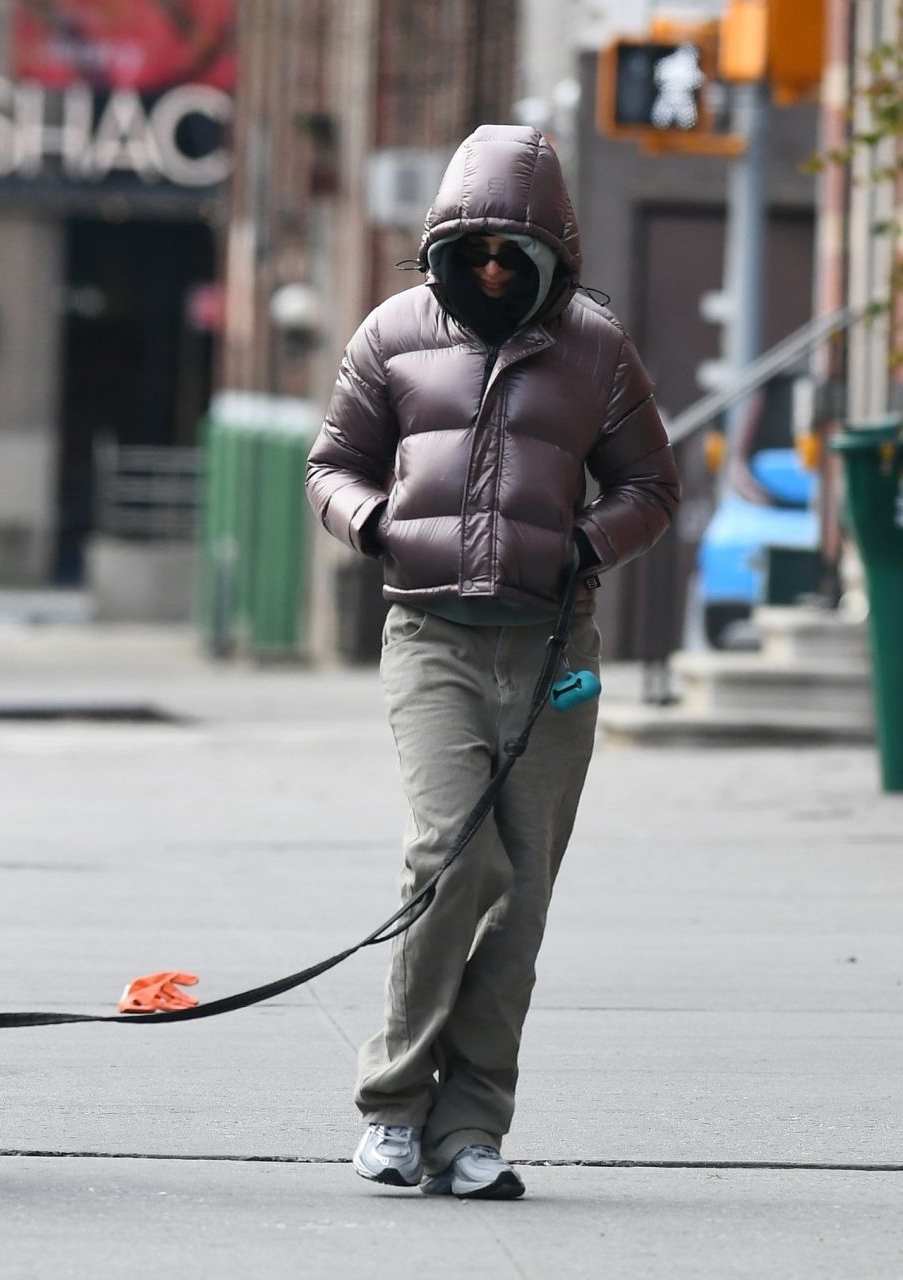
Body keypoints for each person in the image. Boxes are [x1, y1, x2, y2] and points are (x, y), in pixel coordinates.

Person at [305, 124, 680, 1200]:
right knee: (450, 856)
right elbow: (331, 462)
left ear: (552, 252)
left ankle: (470, 1127)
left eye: (510, 253)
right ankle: (390, 1105)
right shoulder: (390, 334)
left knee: (521, 893)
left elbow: (648, 488)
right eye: (468, 249)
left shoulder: (596, 350)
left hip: (553, 643)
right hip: (429, 637)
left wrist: (581, 544)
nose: (487, 269)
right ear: (438, 244)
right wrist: (373, 523)